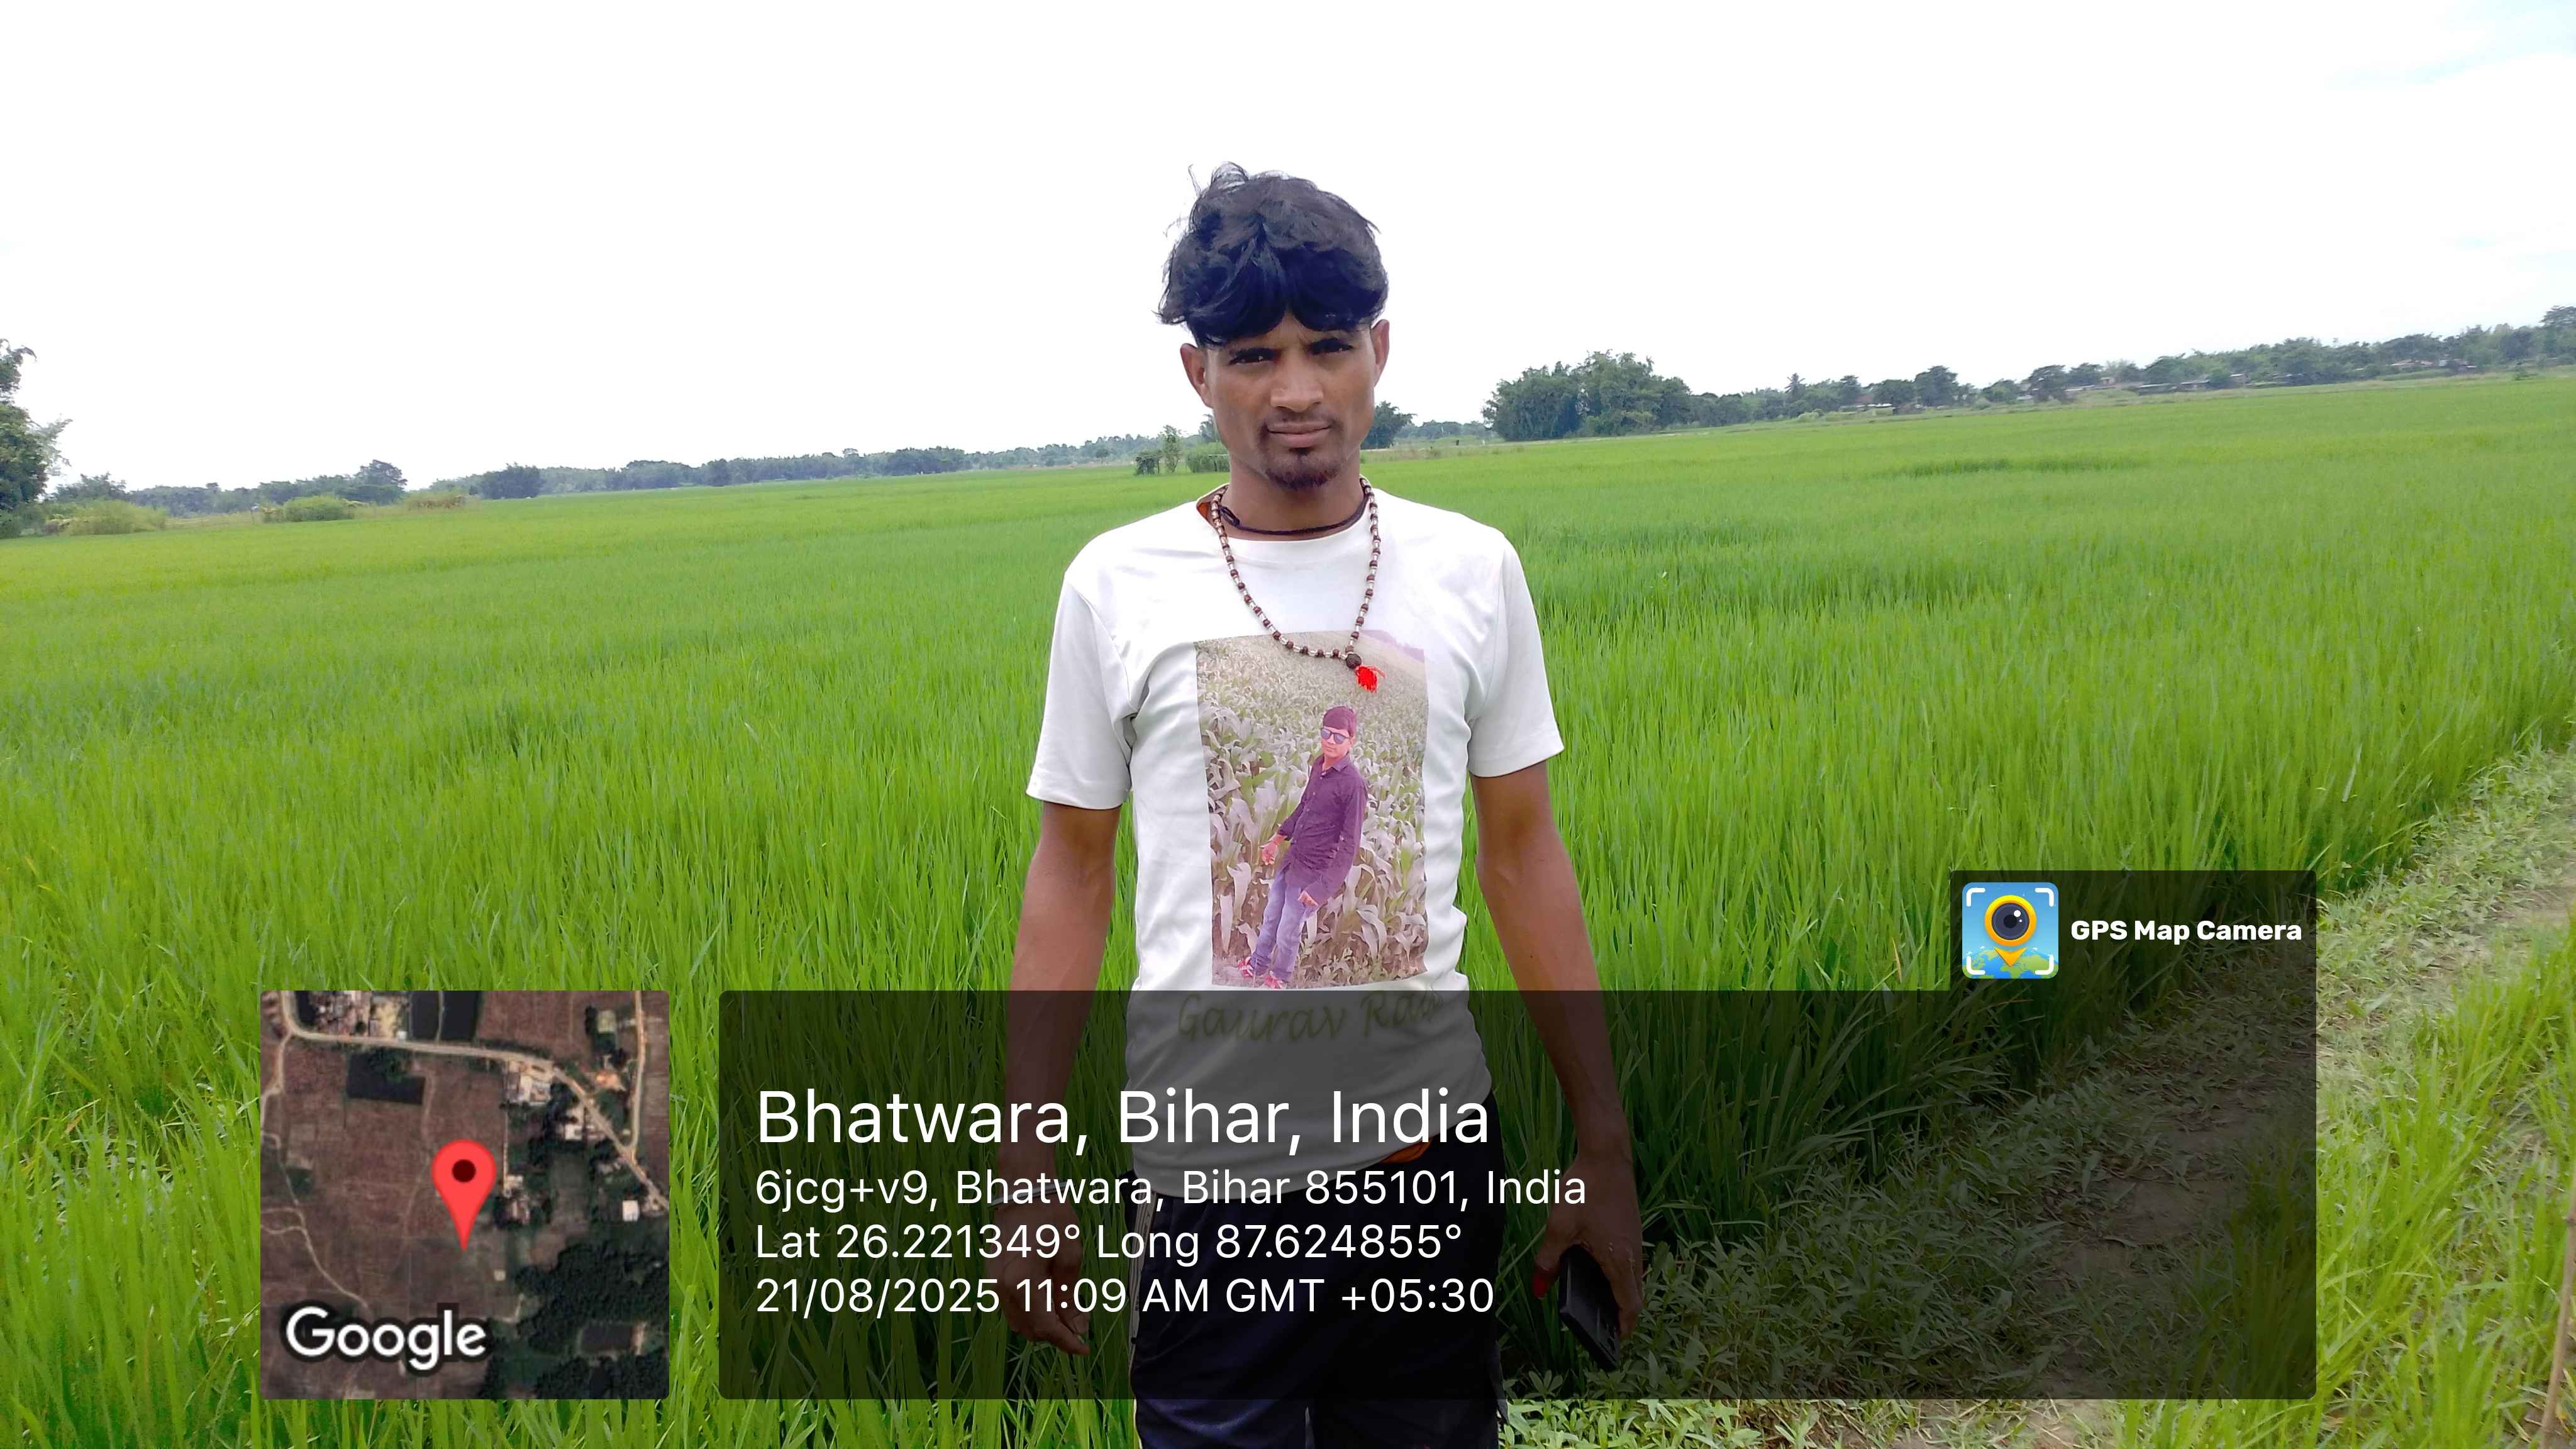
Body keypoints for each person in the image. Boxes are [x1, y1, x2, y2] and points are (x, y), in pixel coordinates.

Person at [994, 164, 1641, 1449]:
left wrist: (1601, 1141)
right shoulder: (1116, 585)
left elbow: (1523, 857)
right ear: (1198, 373)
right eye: (1253, 355)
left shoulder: (1470, 569)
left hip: (1424, 1167)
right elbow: (1070, 873)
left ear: (1377, 351)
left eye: (1327, 346)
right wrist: (1025, 1168)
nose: (1294, 388)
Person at [1242, 705, 1368, 988]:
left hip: (1313, 872)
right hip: (1293, 860)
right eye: (1326, 733)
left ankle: (1280, 977)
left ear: (1351, 741)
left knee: (1288, 930)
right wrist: (1277, 840)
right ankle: (1257, 964)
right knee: (1271, 917)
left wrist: (1322, 888)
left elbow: (1350, 845)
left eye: (1339, 737)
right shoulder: (1319, 766)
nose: (1330, 741)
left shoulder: (1354, 785)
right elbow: (1304, 808)